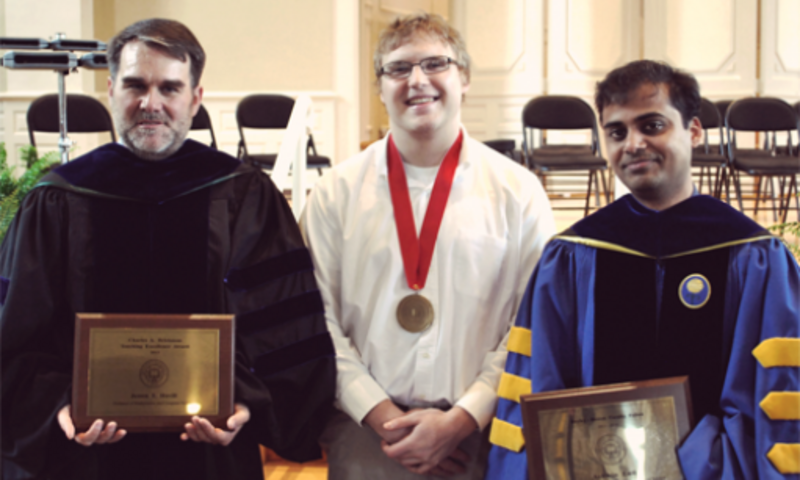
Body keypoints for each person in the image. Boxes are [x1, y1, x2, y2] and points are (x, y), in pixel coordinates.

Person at [0, 18, 335, 480]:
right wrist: (59, 404)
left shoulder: (242, 196)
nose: (150, 104)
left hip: (209, 457)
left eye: (169, 89)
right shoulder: (59, 198)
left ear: (195, 98)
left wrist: (243, 402)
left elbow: (282, 331)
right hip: (85, 458)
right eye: (135, 85)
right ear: (112, 90)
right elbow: (18, 334)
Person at [486, 59, 800, 479]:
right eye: (616, 132)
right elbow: (535, 381)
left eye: (651, 125)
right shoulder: (571, 255)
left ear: (692, 131)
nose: (632, 143)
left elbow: (779, 396)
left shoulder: (756, 255)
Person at [302, 12, 555, 480]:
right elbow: (316, 322)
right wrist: (384, 418)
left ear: (464, 78)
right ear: (380, 88)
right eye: (398, 68)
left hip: (481, 436)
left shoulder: (519, 192)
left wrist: (461, 420)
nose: (417, 80)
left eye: (435, 63)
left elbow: (532, 323)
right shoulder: (334, 194)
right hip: (368, 437)